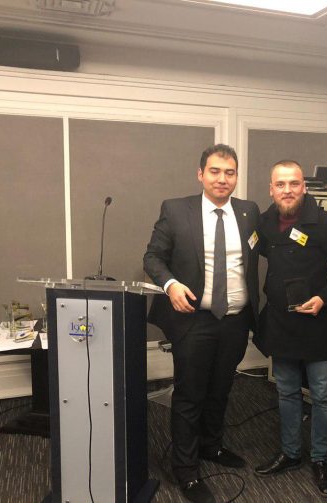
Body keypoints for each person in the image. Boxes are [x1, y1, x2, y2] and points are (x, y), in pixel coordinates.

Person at [143, 144, 260, 503]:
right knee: (190, 394)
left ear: (236, 177)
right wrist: (170, 284)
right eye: (215, 171)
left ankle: (212, 445)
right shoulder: (176, 210)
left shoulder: (249, 212)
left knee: (221, 388)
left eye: (229, 172)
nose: (222, 179)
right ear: (200, 174)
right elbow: (153, 257)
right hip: (194, 319)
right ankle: (186, 470)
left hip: (235, 321)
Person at [252, 160, 327, 498]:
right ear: (271, 189)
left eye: (294, 183)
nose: (287, 190)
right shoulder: (264, 223)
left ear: (304, 187)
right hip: (281, 322)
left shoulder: (323, 222)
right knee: (286, 391)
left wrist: (325, 297)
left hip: (315, 322)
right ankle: (291, 452)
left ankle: (320, 458)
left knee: (323, 395)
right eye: (280, 184)